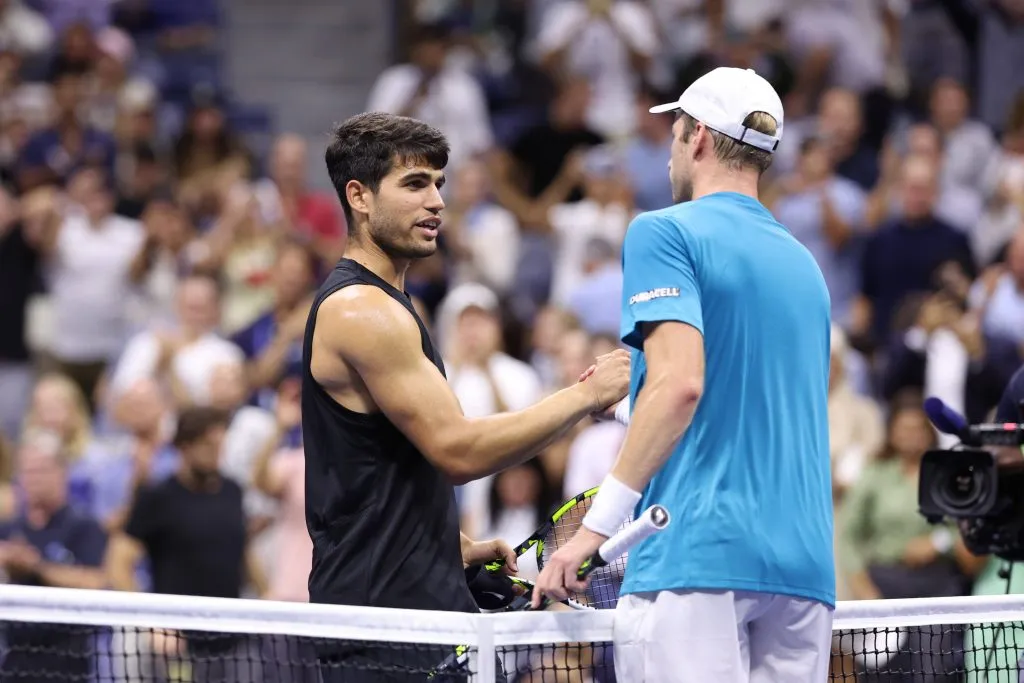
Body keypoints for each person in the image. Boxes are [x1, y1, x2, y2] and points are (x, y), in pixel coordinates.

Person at [533, 67, 836, 683]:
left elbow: (681, 387)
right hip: (803, 570)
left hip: (696, 556)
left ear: (696, 136)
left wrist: (594, 532)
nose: (671, 149)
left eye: (674, 131)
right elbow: (741, 403)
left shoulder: (663, 232)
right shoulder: (805, 264)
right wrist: (628, 401)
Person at [303, 112, 629, 681]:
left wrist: (446, 544)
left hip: (413, 617)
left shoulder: (390, 305)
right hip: (386, 632)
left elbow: (372, 469)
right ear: (359, 196)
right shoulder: (361, 310)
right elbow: (458, 450)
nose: (436, 202)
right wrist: (586, 394)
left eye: (438, 184)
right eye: (414, 184)